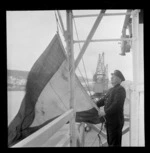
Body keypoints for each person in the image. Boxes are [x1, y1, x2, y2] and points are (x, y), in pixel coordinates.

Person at [96, 70, 126, 147]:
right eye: (111, 76)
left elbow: (117, 105)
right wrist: (94, 104)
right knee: (110, 142)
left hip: (116, 122)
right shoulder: (111, 90)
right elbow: (103, 100)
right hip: (109, 121)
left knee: (114, 143)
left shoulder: (121, 89)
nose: (111, 78)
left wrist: (105, 112)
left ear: (120, 79)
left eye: (114, 77)